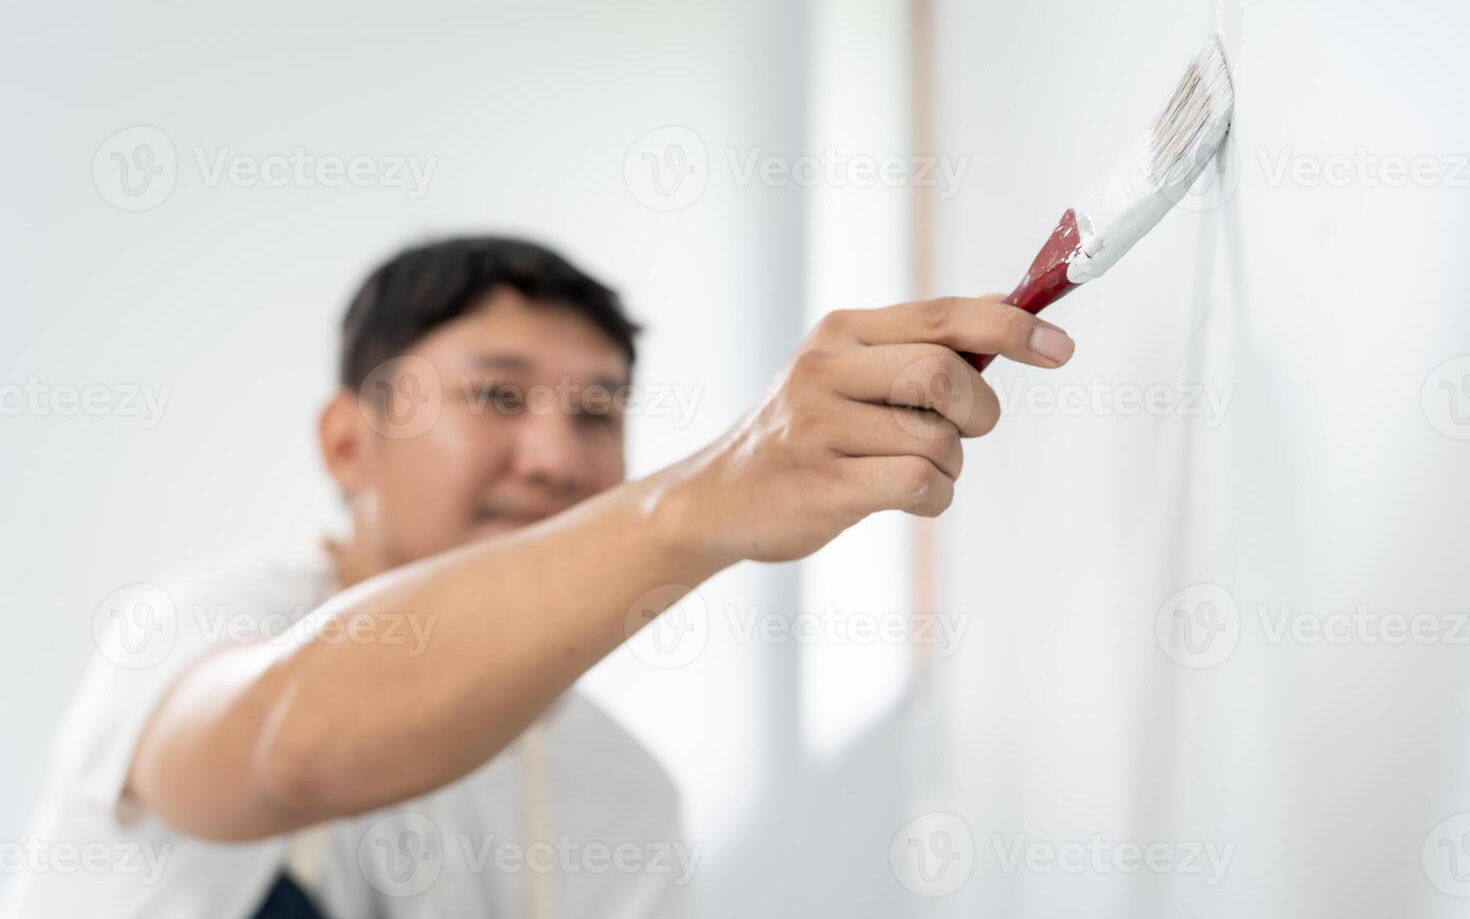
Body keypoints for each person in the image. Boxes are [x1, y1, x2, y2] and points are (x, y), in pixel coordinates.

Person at [1, 237, 1076, 918]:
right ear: (346, 444)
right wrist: (705, 497)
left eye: (598, 411)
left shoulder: (625, 795)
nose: (559, 458)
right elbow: (288, 748)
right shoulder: (201, 626)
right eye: (498, 398)